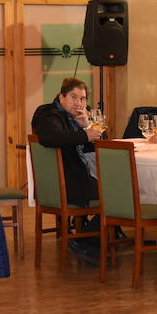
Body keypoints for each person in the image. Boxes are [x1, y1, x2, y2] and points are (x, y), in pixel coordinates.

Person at [31, 78, 105, 265]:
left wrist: (86, 125)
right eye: (73, 97)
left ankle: (91, 238)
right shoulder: (48, 113)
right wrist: (85, 134)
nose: (79, 103)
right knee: (119, 195)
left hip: (73, 179)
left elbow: (99, 148)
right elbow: (50, 137)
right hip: (66, 183)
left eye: (83, 99)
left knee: (116, 188)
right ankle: (84, 241)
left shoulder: (75, 118)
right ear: (61, 96)